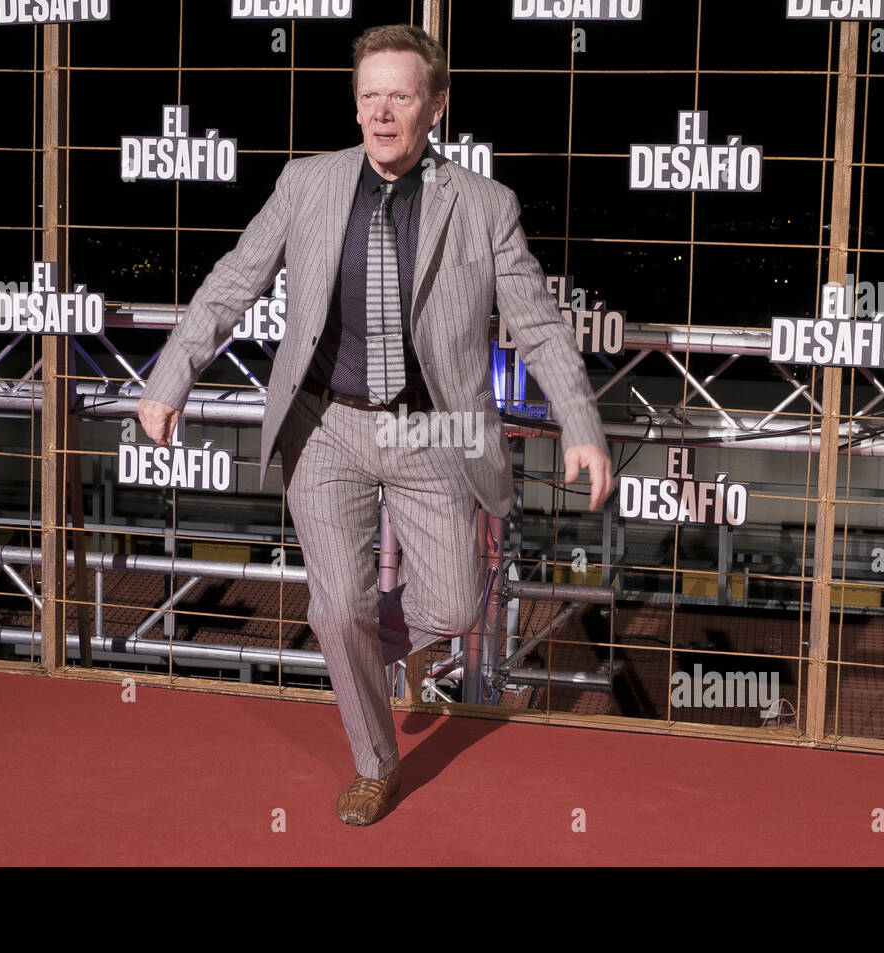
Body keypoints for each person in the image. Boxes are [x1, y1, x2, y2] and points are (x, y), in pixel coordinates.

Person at [138, 23, 611, 826]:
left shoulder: (486, 206)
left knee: (458, 608)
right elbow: (233, 282)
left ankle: (362, 639)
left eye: (400, 96)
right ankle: (374, 760)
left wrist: (583, 425)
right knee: (335, 606)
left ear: (436, 108)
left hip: (431, 432)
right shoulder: (307, 184)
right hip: (324, 426)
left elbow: (536, 325)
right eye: (369, 96)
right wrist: (170, 376)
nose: (382, 113)